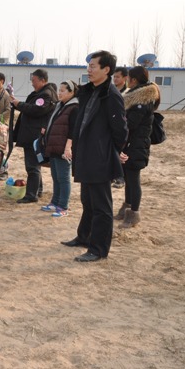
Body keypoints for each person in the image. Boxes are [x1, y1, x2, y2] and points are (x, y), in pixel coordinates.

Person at [60, 50, 128, 262]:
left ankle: (98, 249)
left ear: (106, 70)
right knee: (88, 201)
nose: (89, 70)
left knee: (101, 207)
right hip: (86, 155)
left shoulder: (111, 95)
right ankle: (84, 237)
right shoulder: (90, 91)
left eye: (93, 66)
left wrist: (108, 151)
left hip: (99, 157)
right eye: (88, 66)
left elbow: (121, 131)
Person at [116, 66, 160, 229]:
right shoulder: (136, 98)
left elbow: (130, 124)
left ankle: (134, 214)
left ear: (133, 80)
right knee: (129, 178)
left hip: (136, 146)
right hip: (131, 145)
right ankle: (126, 208)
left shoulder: (142, 101)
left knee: (133, 180)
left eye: (128, 78)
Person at [10, 69, 58, 203]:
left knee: (32, 167)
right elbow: (31, 107)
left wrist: (19, 104)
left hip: (34, 136)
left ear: (42, 80)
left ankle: (31, 194)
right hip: (32, 134)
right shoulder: (39, 94)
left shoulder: (46, 95)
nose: (32, 83)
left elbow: (35, 110)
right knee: (35, 165)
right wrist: (17, 104)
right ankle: (38, 190)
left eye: (34, 81)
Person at [40, 80, 80, 217]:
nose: (59, 93)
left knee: (63, 178)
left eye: (63, 90)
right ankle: (55, 202)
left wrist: (68, 148)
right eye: (59, 90)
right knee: (56, 177)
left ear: (71, 92)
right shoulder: (60, 106)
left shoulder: (74, 107)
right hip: (54, 146)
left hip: (64, 148)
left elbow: (73, 131)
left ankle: (63, 206)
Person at [111, 66, 129, 189]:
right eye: (114, 77)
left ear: (125, 78)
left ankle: (120, 178)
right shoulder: (111, 91)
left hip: (122, 125)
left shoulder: (128, 93)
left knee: (121, 152)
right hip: (111, 125)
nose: (115, 79)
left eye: (118, 77)